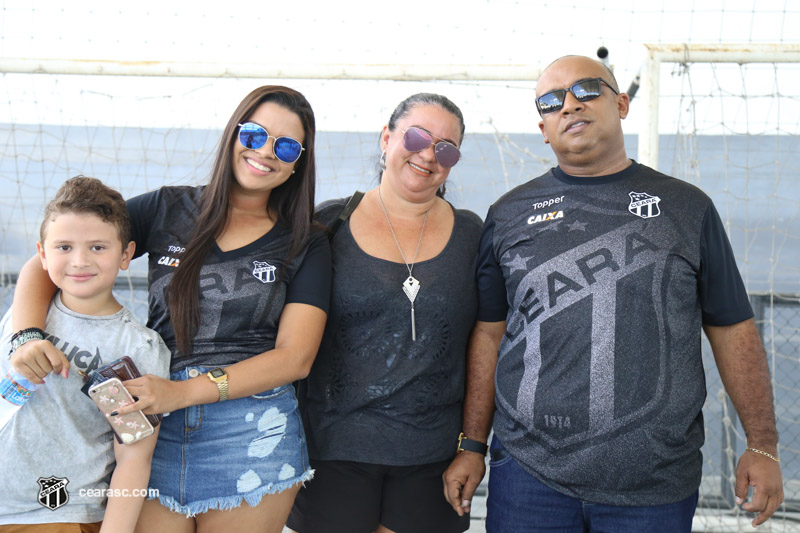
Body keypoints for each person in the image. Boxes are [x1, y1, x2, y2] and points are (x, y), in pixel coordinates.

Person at [443, 55, 784, 532]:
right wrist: (473, 445)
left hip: (653, 485)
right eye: (550, 101)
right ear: (543, 128)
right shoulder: (507, 214)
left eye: (586, 89)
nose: (568, 105)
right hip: (528, 477)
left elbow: (732, 329)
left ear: (621, 103)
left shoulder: (688, 208)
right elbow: (488, 336)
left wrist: (762, 445)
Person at [10, 86, 331, 533]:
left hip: (253, 431)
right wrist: (26, 336)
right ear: (234, 134)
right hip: (153, 426)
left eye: (287, 145)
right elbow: (53, 259)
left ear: (300, 160)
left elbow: (295, 358)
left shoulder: (306, 241)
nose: (266, 152)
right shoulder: (167, 207)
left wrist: (182, 393)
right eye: (256, 134)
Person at [286, 93, 482, 533]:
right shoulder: (327, 226)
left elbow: (485, 343)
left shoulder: (473, 235)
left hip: (433, 457)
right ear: (386, 138)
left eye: (446, 148)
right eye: (417, 137)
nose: (429, 155)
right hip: (331, 450)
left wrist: (474, 446)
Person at [0, 176, 171, 533]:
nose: (79, 261)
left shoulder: (138, 347)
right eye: (64, 247)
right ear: (42, 254)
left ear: (126, 255)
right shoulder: (22, 315)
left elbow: (134, 457)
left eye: (97, 247)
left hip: (58, 513)